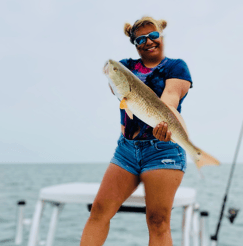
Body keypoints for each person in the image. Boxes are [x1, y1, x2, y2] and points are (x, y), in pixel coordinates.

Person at [80, 16, 192, 246]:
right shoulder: (125, 67)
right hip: (127, 150)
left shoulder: (176, 66)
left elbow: (169, 101)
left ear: (161, 34)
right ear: (134, 43)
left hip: (164, 150)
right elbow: (116, 86)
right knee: (99, 210)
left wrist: (170, 127)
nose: (148, 41)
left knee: (158, 220)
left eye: (153, 35)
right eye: (141, 38)